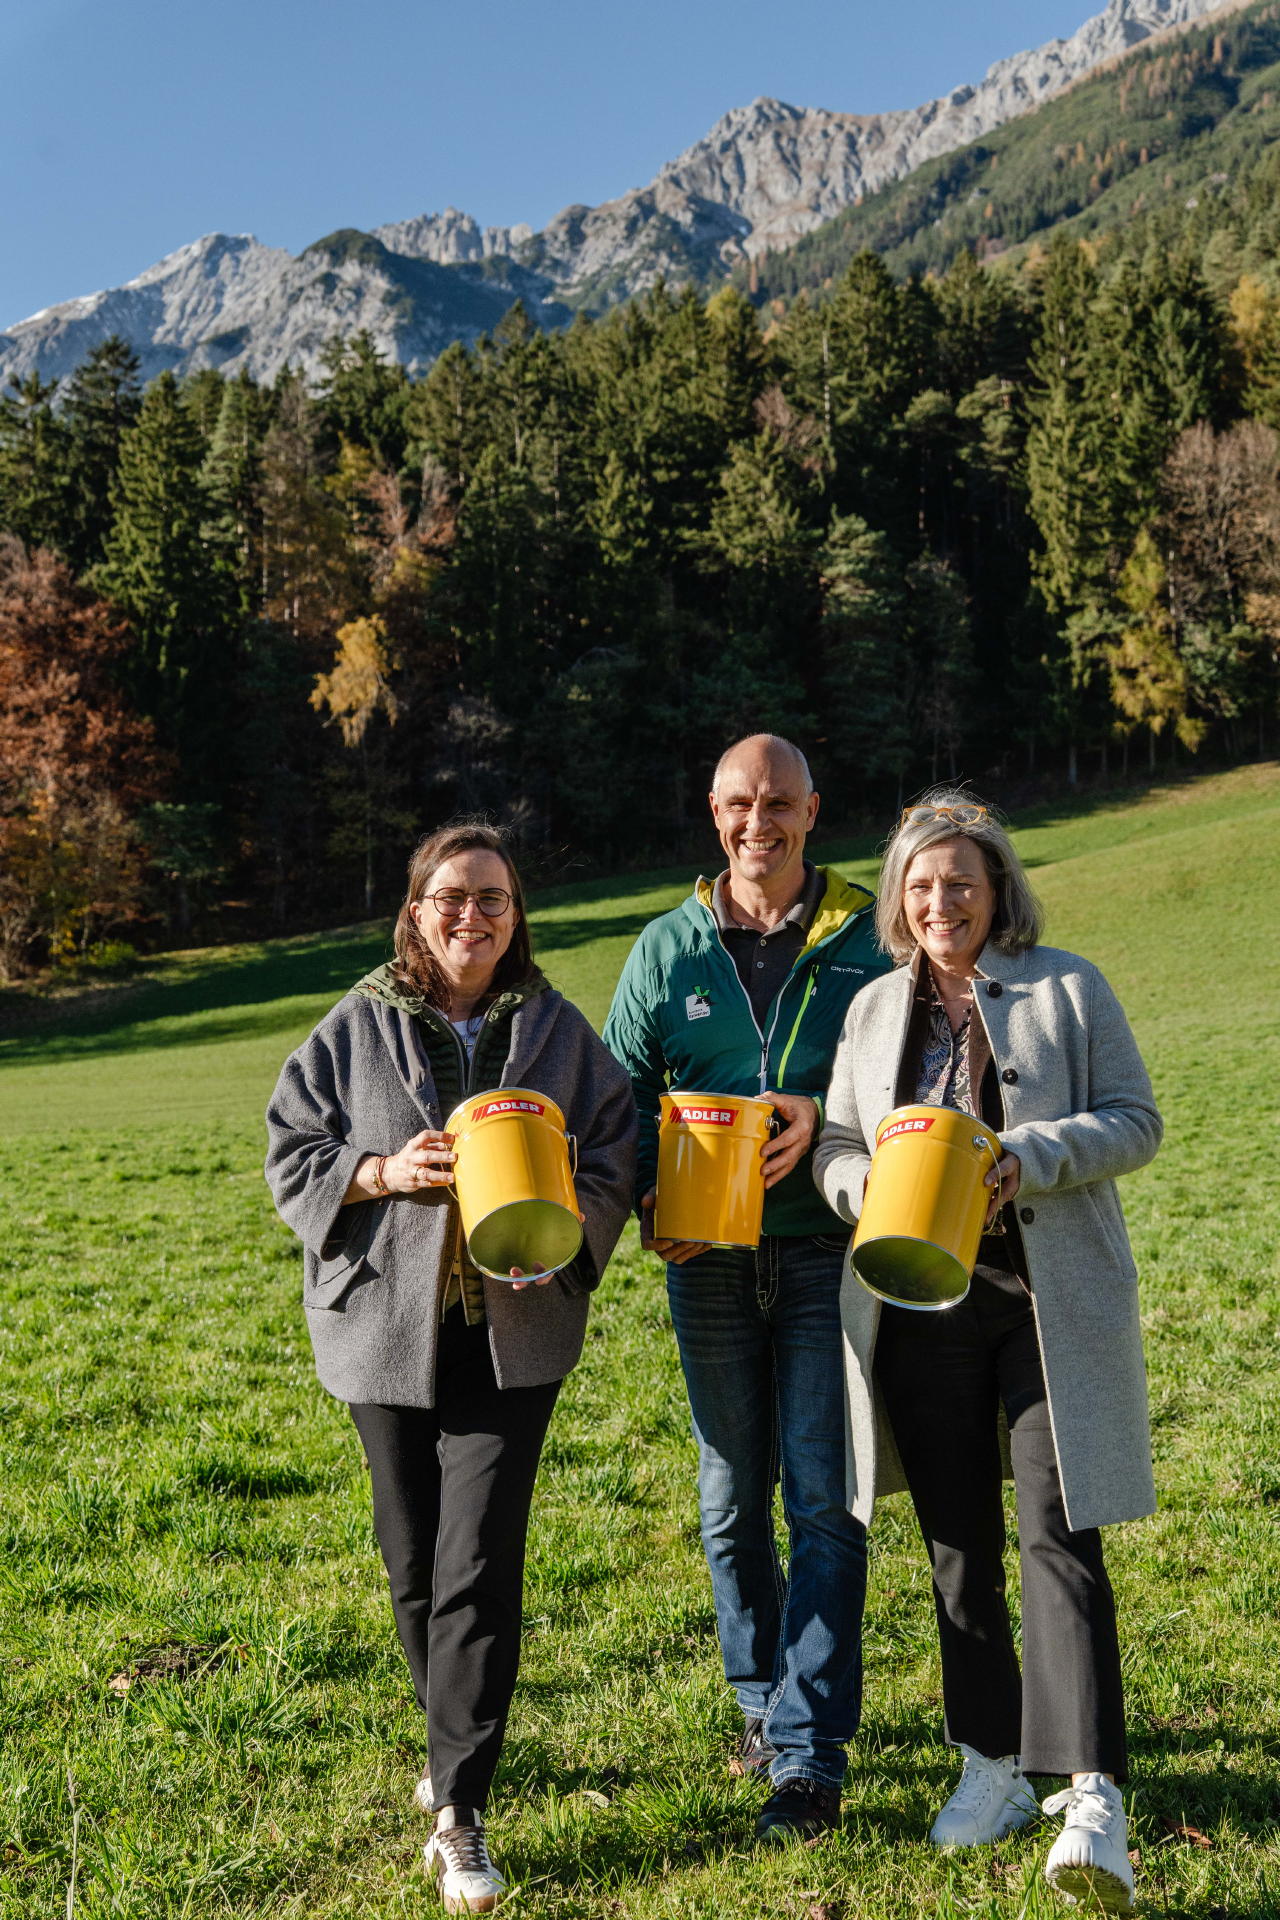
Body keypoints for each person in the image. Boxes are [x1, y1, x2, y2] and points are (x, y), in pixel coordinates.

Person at [265, 822, 637, 1916]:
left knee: (478, 1561)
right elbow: (290, 1143)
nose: (472, 916)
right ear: (415, 912)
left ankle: (459, 1812)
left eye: (493, 899)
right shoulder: (356, 1021)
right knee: (413, 1561)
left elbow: (618, 1146)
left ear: (516, 917)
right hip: (384, 1330)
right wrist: (378, 1171)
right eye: (451, 897)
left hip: (510, 1335)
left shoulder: (560, 1031)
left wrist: (565, 1232)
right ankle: (450, 1743)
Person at [813, 791, 1162, 1914]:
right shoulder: (871, 1011)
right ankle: (991, 1763)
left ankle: (1090, 1788)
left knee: (1058, 1528)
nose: (938, 902)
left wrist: (1030, 1153)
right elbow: (829, 1140)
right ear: (897, 900)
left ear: (995, 888)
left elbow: (1133, 1118)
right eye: (918, 886)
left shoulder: (1067, 985)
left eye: (958, 882)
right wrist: (859, 1184)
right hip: (914, 1299)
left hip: (1038, 1299)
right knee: (954, 1540)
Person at [603, 733, 891, 1841]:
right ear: (711, 811)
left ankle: (809, 1758)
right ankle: (759, 1706)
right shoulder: (666, 947)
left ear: (812, 809)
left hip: (827, 1246)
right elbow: (619, 1090)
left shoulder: (870, 934)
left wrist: (828, 1113)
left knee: (823, 1497)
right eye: (735, 803)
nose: (754, 821)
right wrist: (640, 1203)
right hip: (706, 1260)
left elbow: (917, 1069)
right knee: (730, 1500)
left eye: (776, 802)